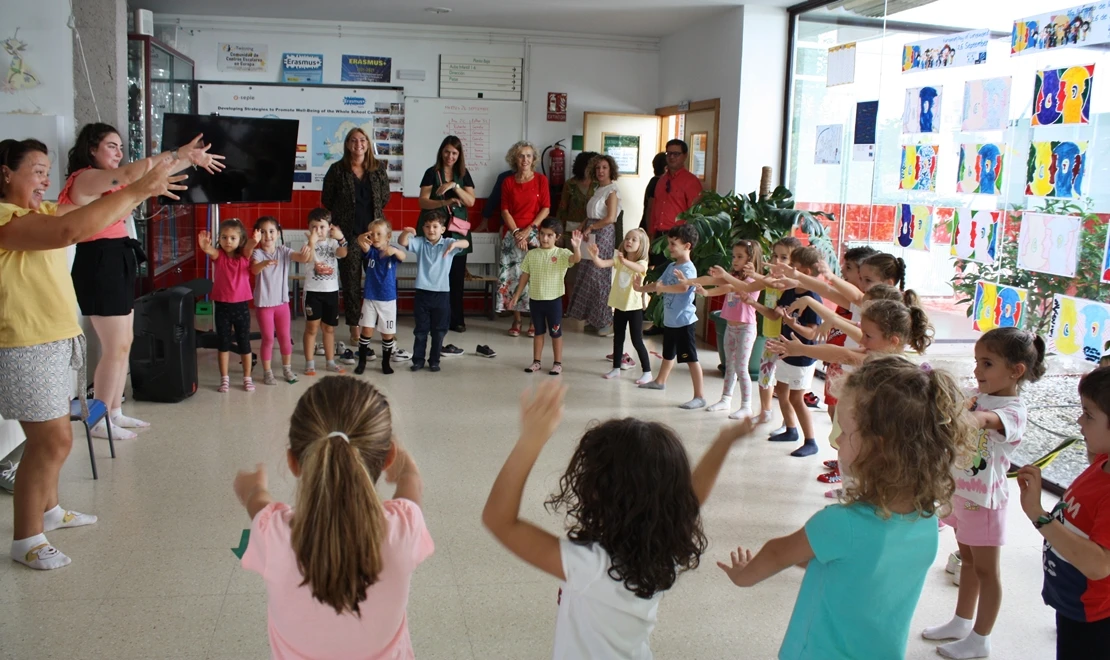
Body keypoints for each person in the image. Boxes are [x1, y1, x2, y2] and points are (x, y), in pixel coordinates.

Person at [0, 138, 183, 569]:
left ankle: (49, 510)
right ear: (6, 173)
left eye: (48, 172)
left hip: (55, 340)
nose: (46, 180)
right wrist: (140, 190)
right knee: (51, 441)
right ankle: (25, 538)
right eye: (37, 171)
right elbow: (71, 231)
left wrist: (160, 172)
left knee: (56, 438)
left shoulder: (37, 211)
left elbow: (93, 216)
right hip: (26, 343)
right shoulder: (7, 219)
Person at [718, 355, 975, 660]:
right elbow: (858, 565)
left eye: (845, 431)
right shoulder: (927, 520)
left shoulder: (840, 524)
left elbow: (778, 553)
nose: (837, 439)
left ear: (878, 448)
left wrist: (744, 576)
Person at [482, 379, 755, 659]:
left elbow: (499, 520)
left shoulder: (590, 566)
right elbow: (693, 498)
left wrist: (531, 440)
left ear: (600, 492)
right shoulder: (662, 547)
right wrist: (724, 443)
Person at [233, 376, 431, 659]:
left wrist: (252, 489)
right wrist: (407, 470)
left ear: (293, 462)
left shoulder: (274, 533)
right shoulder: (403, 527)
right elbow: (412, 486)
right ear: (388, 457)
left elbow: (258, 503)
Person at [60, 123, 223, 440]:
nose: (118, 153)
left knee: (125, 344)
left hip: (118, 256)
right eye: (111, 146)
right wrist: (177, 153)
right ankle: (99, 419)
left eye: (120, 147)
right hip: (98, 261)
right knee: (114, 346)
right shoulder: (85, 178)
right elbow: (135, 174)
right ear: (91, 149)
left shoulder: (114, 183)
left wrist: (189, 159)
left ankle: (115, 411)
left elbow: (149, 175)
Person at [923, 327, 1046, 660]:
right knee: (968, 562)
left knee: (987, 571)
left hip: (985, 504)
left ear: (1016, 371)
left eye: (987, 364)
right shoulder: (978, 395)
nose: (977, 371)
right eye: (977, 362)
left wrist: (968, 415)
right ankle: (962, 622)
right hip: (962, 494)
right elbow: (957, 404)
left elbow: (985, 420)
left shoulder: (1013, 411)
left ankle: (981, 638)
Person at [1018, 367, 1110, 660]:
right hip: (1072, 604)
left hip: (1094, 618)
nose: (1079, 420)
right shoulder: (1103, 461)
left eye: (1089, 415)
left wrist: (1038, 514)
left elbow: (1099, 565)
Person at [321, 128, 391, 347]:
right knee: (351, 285)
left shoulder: (378, 169)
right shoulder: (337, 170)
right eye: (353, 140)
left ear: (368, 144)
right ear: (347, 144)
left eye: (362, 140)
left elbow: (385, 197)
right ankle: (354, 327)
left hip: (375, 238)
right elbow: (327, 199)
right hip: (349, 237)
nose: (358, 144)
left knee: (378, 283)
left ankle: (382, 328)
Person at [679, 240, 764, 419]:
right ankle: (726, 399)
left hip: (746, 329)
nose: (735, 260)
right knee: (730, 367)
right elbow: (714, 282)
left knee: (742, 368)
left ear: (752, 259)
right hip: (730, 328)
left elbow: (738, 286)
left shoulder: (753, 280)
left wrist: (725, 275)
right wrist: (691, 282)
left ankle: (746, 406)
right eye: (734, 256)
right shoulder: (734, 277)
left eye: (740, 257)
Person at [633, 224, 706, 410]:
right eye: (670, 243)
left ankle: (700, 396)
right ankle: (660, 381)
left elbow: (683, 288)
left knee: (691, 359)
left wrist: (662, 289)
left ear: (687, 246)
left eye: (674, 244)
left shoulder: (689, 269)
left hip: (684, 322)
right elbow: (659, 284)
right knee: (668, 354)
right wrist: (640, 288)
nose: (670, 247)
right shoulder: (672, 266)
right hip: (671, 321)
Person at [762, 246, 824, 457]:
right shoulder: (790, 291)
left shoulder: (813, 298)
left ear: (804, 272)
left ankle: (811, 440)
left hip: (803, 357)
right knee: (782, 391)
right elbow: (775, 314)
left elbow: (811, 334)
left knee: (797, 399)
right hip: (785, 351)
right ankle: (791, 429)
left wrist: (793, 324)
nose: (786, 269)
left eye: (792, 266)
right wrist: (754, 303)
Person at [398, 211, 469, 372]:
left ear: (443, 229)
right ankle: (418, 360)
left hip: (442, 294)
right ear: (423, 228)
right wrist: (407, 231)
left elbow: (465, 243)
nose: (431, 230)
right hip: (422, 293)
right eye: (428, 226)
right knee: (421, 331)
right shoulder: (420, 243)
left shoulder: (448, 243)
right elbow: (402, 241)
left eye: (435, 226)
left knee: (439, 331)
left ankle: (434, 360)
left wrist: (455, 244)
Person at [418, 136, 476, 333]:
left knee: (457, 276)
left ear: (459, 155)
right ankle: (435, 319)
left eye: (454, 153)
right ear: (441, 152)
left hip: (457, 230)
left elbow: (471, 202)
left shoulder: (463, 174)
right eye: (447, 152)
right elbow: (423, 201)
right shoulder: (431, 173)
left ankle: (456, 319)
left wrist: (455, 187)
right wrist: (444, 203)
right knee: (435, 275)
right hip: (436, 230)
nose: (450, 156)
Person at [510, 220, 582, 375]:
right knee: (538, 332)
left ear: (557, 237)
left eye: (550, 235)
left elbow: (575, 259)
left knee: (556, 332)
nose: (545, 238)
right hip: (536, 300)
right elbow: (524, 276)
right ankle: (536, 362)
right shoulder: (532, 254)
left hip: (554, 301)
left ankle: (557, 363)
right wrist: (516, 295)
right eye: (542, 234)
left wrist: (576, 247)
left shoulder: (561, 254)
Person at [197, 220, 259, 393]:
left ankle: (247, 378)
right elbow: (211, 251)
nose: (228, 241)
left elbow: (249, 248)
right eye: (224, 237)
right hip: (222, 307)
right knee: (223, 343)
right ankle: (224, 379)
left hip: (241, 306)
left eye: (233, 238)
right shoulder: (219, 256)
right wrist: (205, 247)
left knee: (244, 343)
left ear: (241, 240)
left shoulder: (244, 257)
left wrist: (254, 240)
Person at [497, 141, 550, 338]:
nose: (525, 159)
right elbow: (505, 211)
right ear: (515, 159)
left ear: (533, 159)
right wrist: (517, 233)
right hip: (512, 234)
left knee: (534, 280)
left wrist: (529, 230)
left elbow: (546, 208)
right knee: (513, 278)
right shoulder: (508, 182)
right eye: (521, 156)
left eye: (528, 156)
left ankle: (534, 321)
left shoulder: (541, 180)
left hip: (535, 235)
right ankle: (517, 319)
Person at [251, 216, 312, 385]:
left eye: (271, 231)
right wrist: (264, 263)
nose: (268, 236)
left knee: (285, 337)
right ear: (257, 235)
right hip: (264, 305)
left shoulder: (283, 251)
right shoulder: (257, 253)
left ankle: (287, 369)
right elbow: (254, 270)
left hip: (282, 303)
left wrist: (307, 251)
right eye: (263, 232)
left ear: (278, 234)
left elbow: (300, 257)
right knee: (268, 339)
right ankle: (267, 372)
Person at [585, 227, 651, 383]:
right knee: (618, 338)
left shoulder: (642, 262)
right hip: (619, 306)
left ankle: (647, 371)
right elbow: (602, 264)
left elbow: (639, 268)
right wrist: (595, 257)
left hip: (633, 308)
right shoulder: (619, 260)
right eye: (627, 238)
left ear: (641, 245)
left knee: (637, 340)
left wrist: (624, 261)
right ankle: (616, 368)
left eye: (634, 239)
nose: (629, 241)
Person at [747, 237, 801, 425]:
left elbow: (775, 309)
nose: (777, 262)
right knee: (765, 375)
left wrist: (756, 275)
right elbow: (752, 288)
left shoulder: (790, 284)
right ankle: (765, 411)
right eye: (775, 256)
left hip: (786, 340)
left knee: (784, 383)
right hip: (770, 336)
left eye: (784, 258)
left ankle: (789, 422)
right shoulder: (770, 279)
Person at [566, 154, 621, 337]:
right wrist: (583, 225)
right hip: (591, 232)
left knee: (598, 277)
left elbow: (610, 218)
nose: (600, 171)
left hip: (603, 234)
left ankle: (605, 320)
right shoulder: (598, 189)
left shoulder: (612, 191)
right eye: (597, 168)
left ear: (611, 170)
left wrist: (591, 227)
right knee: (588, 276)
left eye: (604, 168)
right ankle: (593, 319)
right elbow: (591, 213)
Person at [354, 218, 406, 376]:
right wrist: (361, 238)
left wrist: (395, 251)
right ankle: (362, 361)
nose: (375, 237)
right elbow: (361, 244)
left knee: (387, 333)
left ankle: (385, 362)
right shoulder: (370, 251)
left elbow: (403, 256)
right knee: (367, 330)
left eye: (379, 234)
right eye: (373, 234)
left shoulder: (392, 251)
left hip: (388, 299)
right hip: (370, 297)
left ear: (388, 236)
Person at [301, 208, 348, 376]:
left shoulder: (333, 243)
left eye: (321, 227)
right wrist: (311, 242)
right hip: (313, 292)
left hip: (331, 292)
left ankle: (330, 361)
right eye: (314, 227)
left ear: (329, 227)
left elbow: (343, 253)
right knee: (312, 328)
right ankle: (309, 363)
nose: (318, 231)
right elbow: (307, 258)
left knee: (329, 329)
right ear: (309, 228)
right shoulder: (307, 244)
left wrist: (341, 238)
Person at [649, 139, 702, 240]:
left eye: (676, 154)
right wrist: (651, 233)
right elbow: (654, 209)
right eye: (669, 153)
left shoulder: (691, 181)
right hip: (658, 236)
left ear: (685, 156)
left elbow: (694, 214)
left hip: (679, 237)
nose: (672, 157)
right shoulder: (661, 181)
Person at [555, 151, 598, 238]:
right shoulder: (570, 184)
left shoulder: (599, 184)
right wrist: (559, 233)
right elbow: (562, 210)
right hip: (572, 229)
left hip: (592, 229)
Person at [639, 152, 667, 233]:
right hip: (650, 227)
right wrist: (650, 231)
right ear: (666, 168)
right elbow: (650, 209)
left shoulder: (653, 180)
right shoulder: (657, 183)